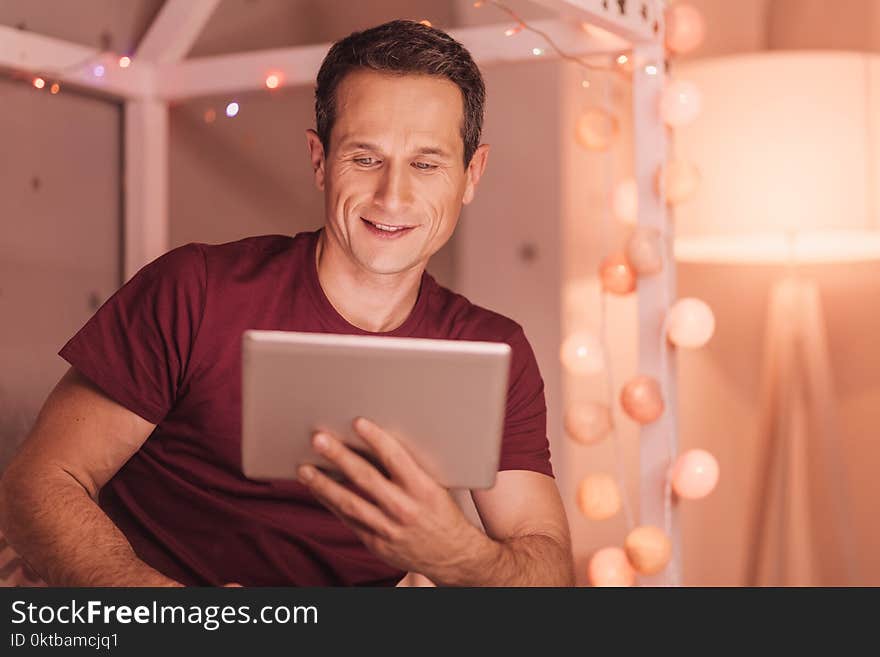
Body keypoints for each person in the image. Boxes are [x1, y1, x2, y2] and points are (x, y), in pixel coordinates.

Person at [0, 20, 574, 587]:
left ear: (471, 174)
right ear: (320, 159)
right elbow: (39, 485)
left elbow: (548, 571)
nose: (393, 196)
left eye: (426, 164)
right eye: (365, 158)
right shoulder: (196, 289)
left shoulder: (492, 349)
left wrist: (457, 554)